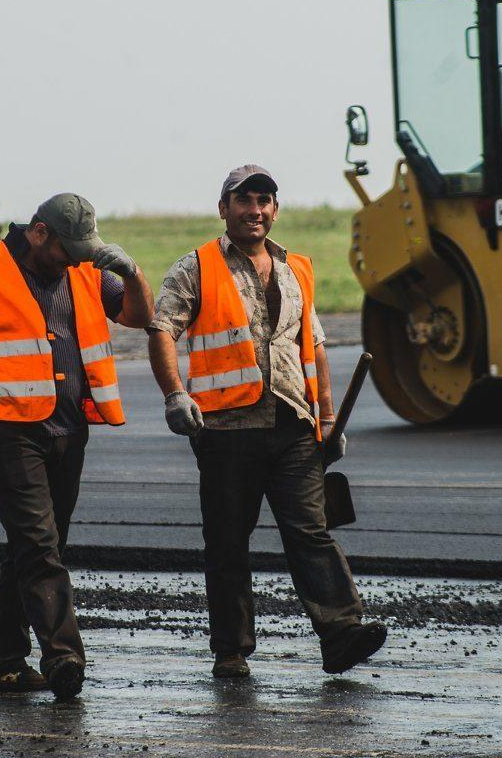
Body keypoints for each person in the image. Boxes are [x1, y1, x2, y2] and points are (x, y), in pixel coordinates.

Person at [147, 164, 386, 679]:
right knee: (228, 543)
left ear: (274, 210)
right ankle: (230, 650)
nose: (255, 210)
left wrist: (327, 419)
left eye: (264, 201)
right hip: (226, 431)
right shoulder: (196, 267)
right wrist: (174, 395)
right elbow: (162, 329)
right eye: (245, 201)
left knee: (311, 531)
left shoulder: (295, 268)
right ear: (224, 208)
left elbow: (313, 344)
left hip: (293, 426)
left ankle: (341, 633)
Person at [0, 193, 153, 699]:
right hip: (6, 430)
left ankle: (3, 661)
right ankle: (63, 655)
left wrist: (132, 272)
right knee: (39, 545)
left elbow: (138, 316)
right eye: (67, 248)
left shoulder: (88, 269)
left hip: (69, 430)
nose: (75, 258)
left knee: (36, 548)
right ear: (38, 232)